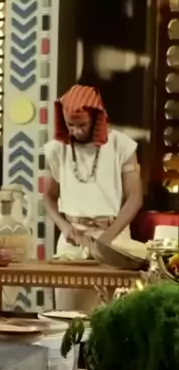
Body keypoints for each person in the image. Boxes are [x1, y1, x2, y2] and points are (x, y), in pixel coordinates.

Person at [44, 84, 143, 311]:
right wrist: (64, 227)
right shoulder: (56, 150)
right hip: (73, 240)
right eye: (70, 125)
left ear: (97, 119)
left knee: (113, 314)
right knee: (70, 316)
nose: (76, 131)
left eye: (82, 125)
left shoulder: (122, 146)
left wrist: (107, 238)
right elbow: (48, 197)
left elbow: (135, 198)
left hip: (114, 237)